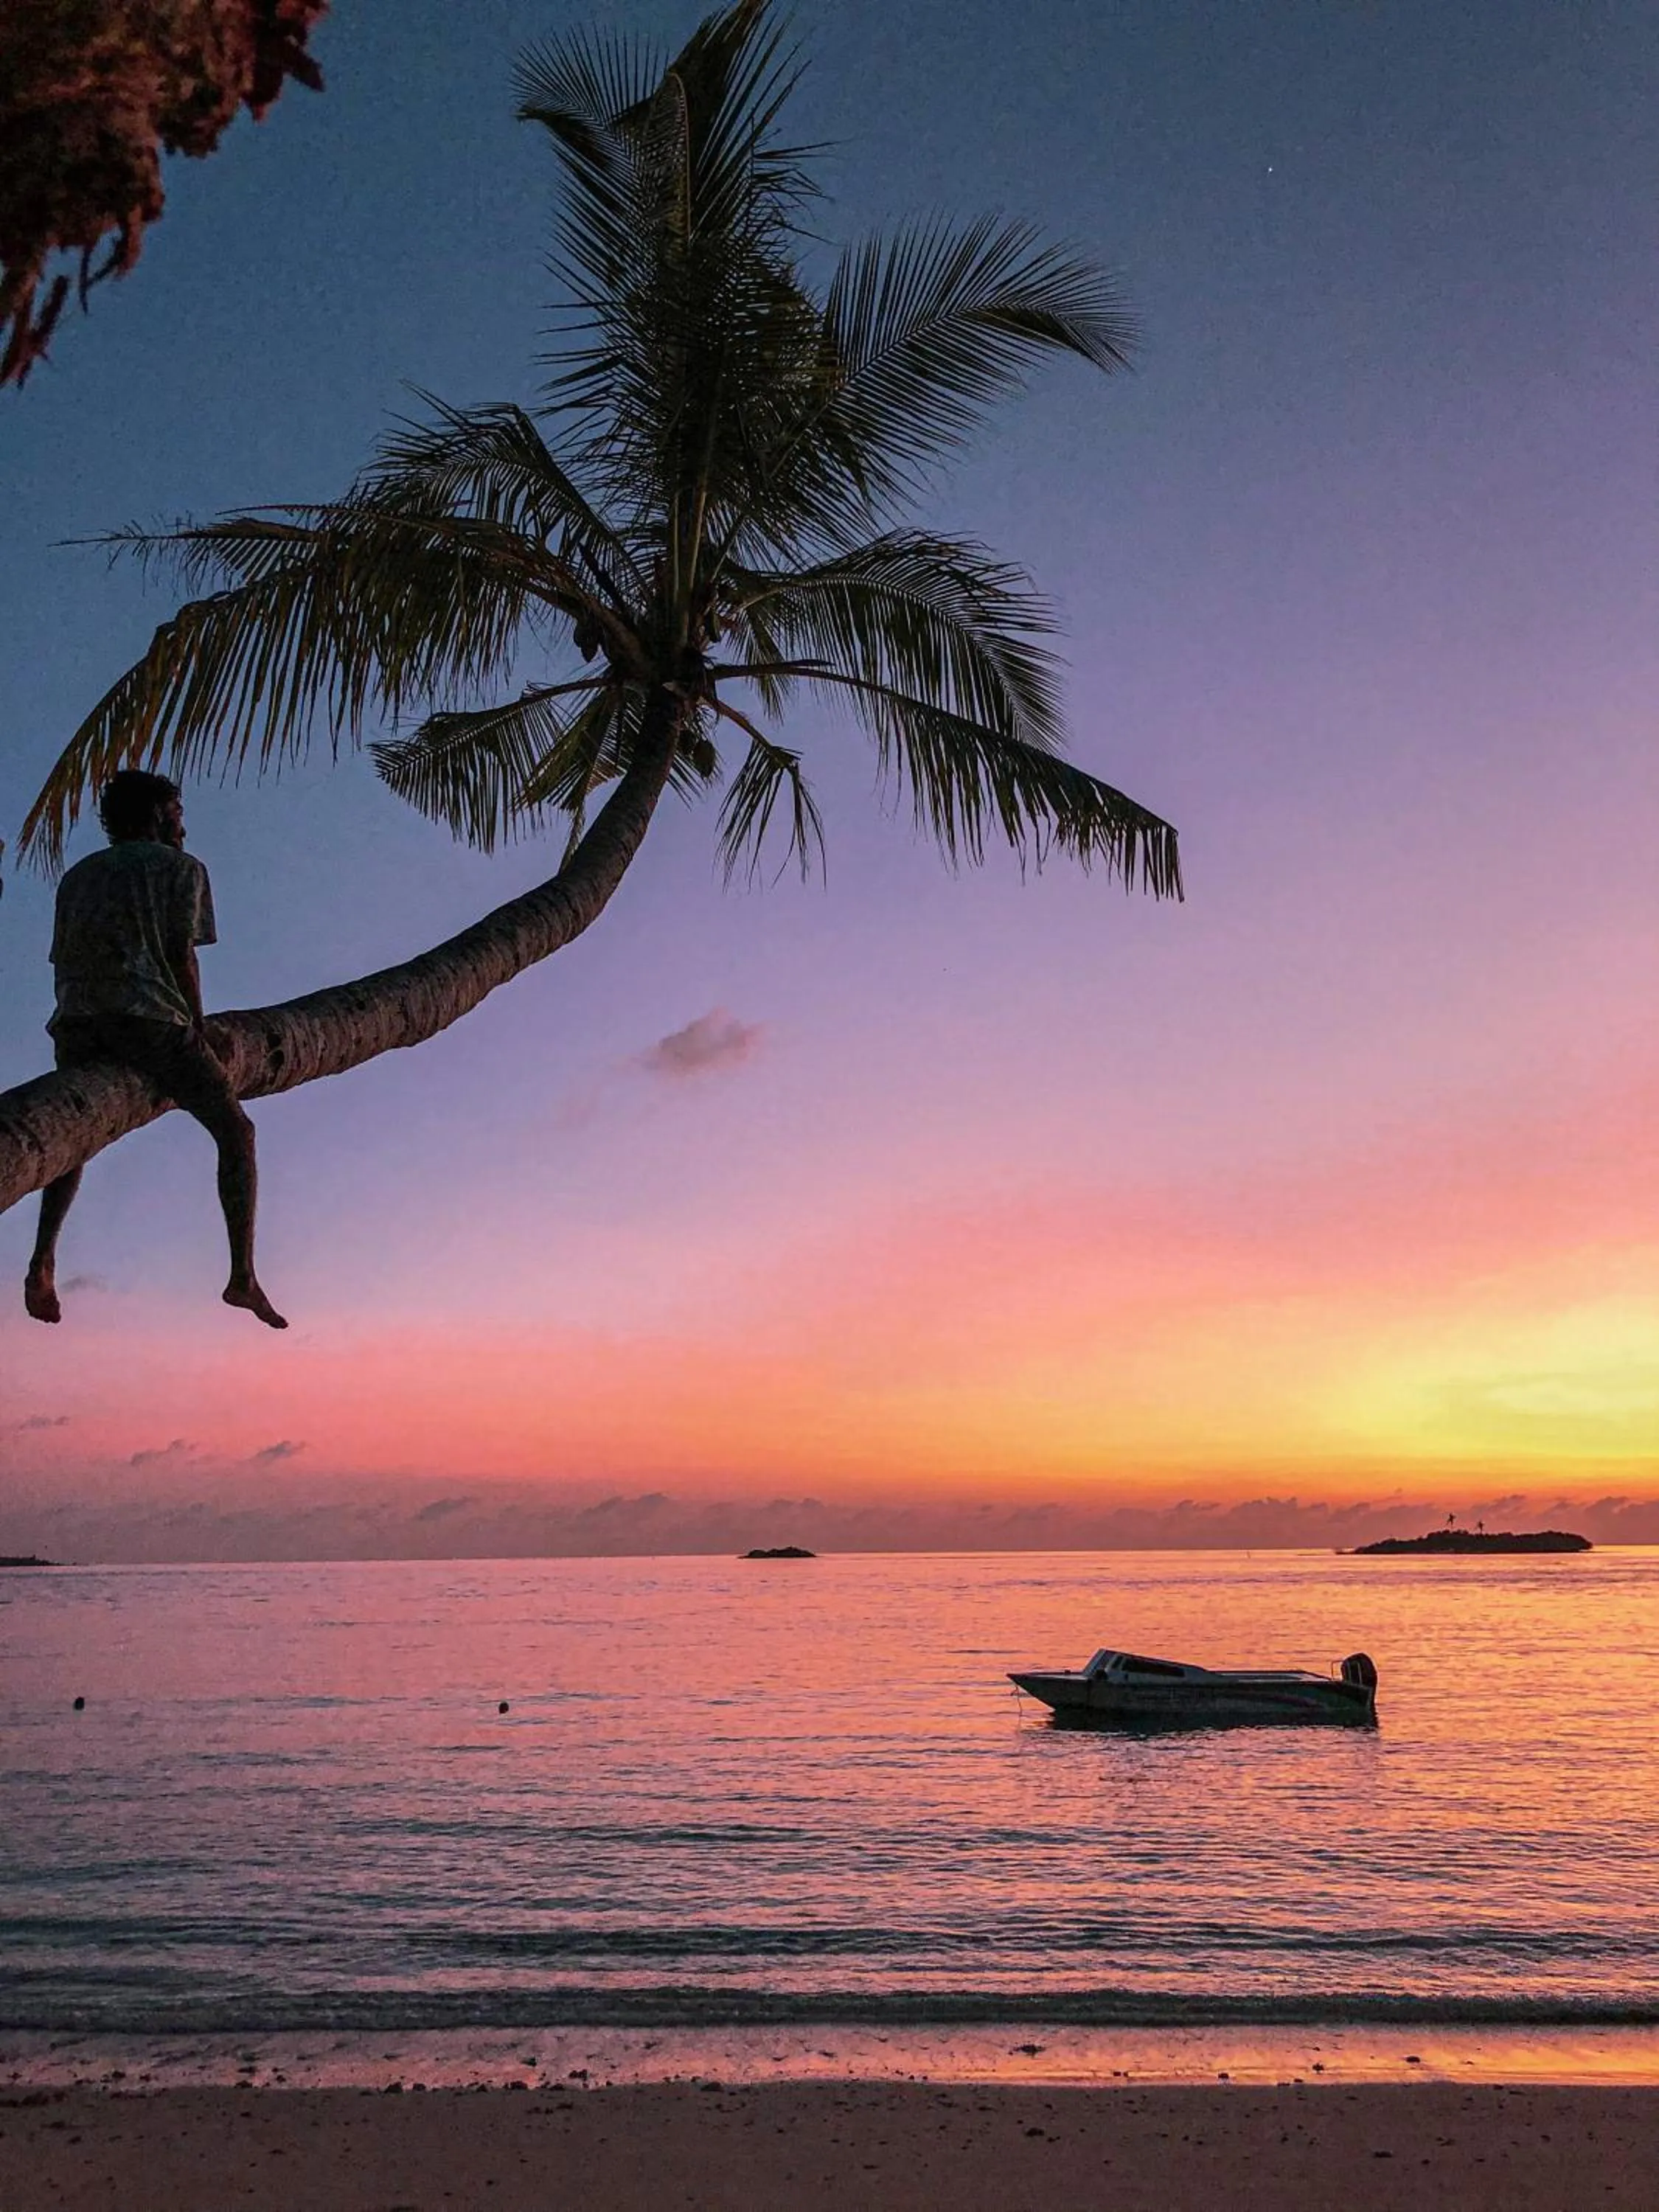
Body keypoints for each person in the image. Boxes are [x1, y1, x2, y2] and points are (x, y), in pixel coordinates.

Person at [24, 770, 286, 1329]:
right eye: (177, 816)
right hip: (148, 1025)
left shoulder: (78, 877)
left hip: (76, 1023)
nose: (183, 828)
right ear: (154, 817)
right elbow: (180, 955)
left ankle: (43, 1258)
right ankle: (242, 1276)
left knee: (75, 1141)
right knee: (237, 1132)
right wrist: (198, 1027)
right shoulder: (181, 869)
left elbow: (64, 958)